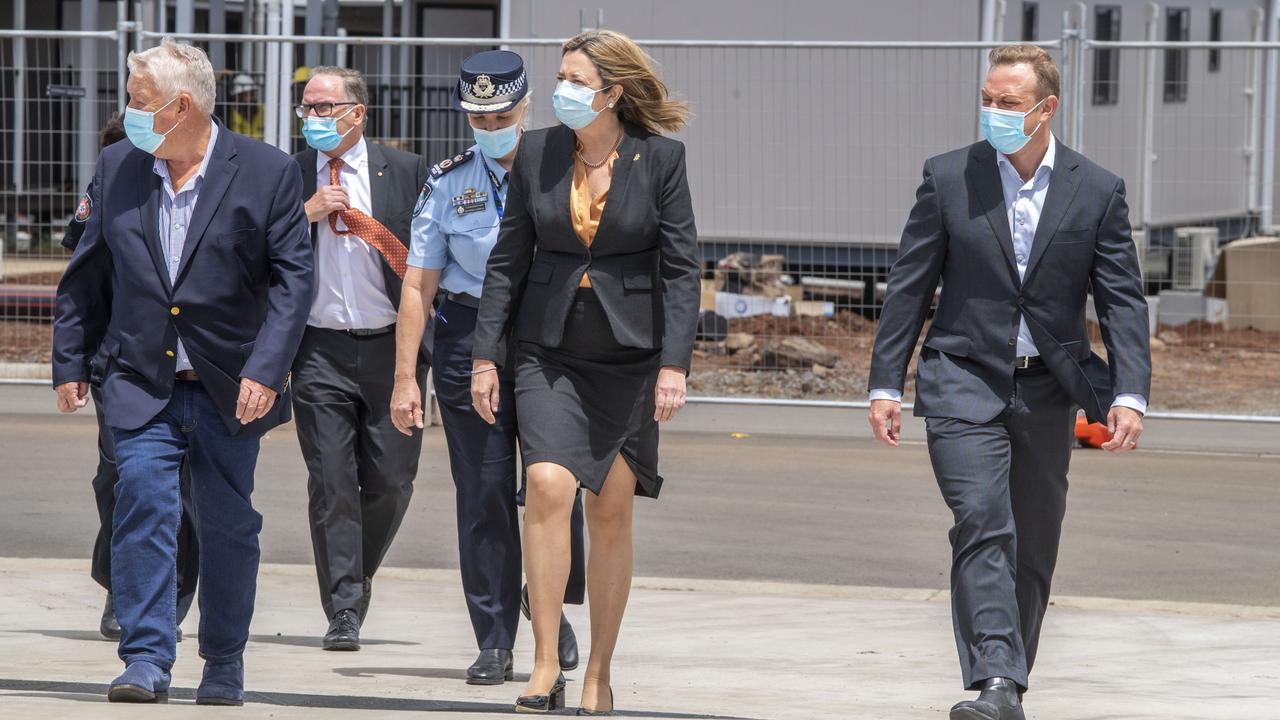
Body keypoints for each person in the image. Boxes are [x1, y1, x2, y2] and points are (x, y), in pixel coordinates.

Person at [867, 44, 1151, 720]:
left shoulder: (1097, 189)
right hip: (961, 374)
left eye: (1008, 104)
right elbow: (910, 286)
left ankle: (1007, 688)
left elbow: (1122, 300)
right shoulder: (949, 178)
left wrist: (1129, 394)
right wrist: (886, 383)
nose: (992, 112)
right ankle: (996, 677)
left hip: (1050, 387)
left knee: (1033, 534)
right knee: (981, 519)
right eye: (987, 100)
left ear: (1046, 109)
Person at [51, 38, 313, 705]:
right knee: (141, 505)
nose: (128, 113)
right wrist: (71, 362)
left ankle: (223, 663)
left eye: (138, 102)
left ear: (181, 106)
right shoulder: (119, 167)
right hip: (138, 382)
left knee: (227, 527)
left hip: (230, 389)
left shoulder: (267, 171)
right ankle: (145, 659)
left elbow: (292, 282)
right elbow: (87, 274)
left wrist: (267, 367)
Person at [470, 29, 699, 715]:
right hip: (549, 349)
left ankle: (598, 671)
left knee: (609, 510)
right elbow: (508, 258)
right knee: (544, 485)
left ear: (612, 91)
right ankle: (544, 663)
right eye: (561, 77)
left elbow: (684, 269)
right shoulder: (537, 151)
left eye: (575, 79)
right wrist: (485, 354)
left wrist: (674, 364)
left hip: (630, 357)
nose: (563, 89)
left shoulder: (661, 159)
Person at [391, 49, 584, 686]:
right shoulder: (448, 183)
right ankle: (495, 636)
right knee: (484, 493)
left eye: (500, 113)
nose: (489, 125)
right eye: (476, 116)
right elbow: (418, 286)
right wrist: (403, 378)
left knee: (556, 484)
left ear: (526, 107)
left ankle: (550, 612)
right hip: (466, 334)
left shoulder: (564, 171)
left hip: (547, 338)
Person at [290, 66, 429, 651]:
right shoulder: (290, 175)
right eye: (306, 108)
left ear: (357, 112)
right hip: (318, 348)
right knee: (331, 481)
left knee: (392, 481)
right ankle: (343, 605)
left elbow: (427, 260)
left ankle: (357, 576)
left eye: (325, 107)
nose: (314, 118)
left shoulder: (405, 172)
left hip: (392, 347)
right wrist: (307, 213)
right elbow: (252, 249)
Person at [60, 113, 201, 643]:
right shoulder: (112, 179)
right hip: (119, 361)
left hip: (188, 361)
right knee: (119, 477)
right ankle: (123, 585)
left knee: (177, 488)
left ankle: (161, 596)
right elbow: (81, 272)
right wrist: (73, 359)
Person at [228, 74, 264, 140]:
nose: (249, 98)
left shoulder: (261, 109)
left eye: (251, 94)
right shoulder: (235, 111)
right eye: (245, 94)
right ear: (239, 96)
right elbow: (237, 134)